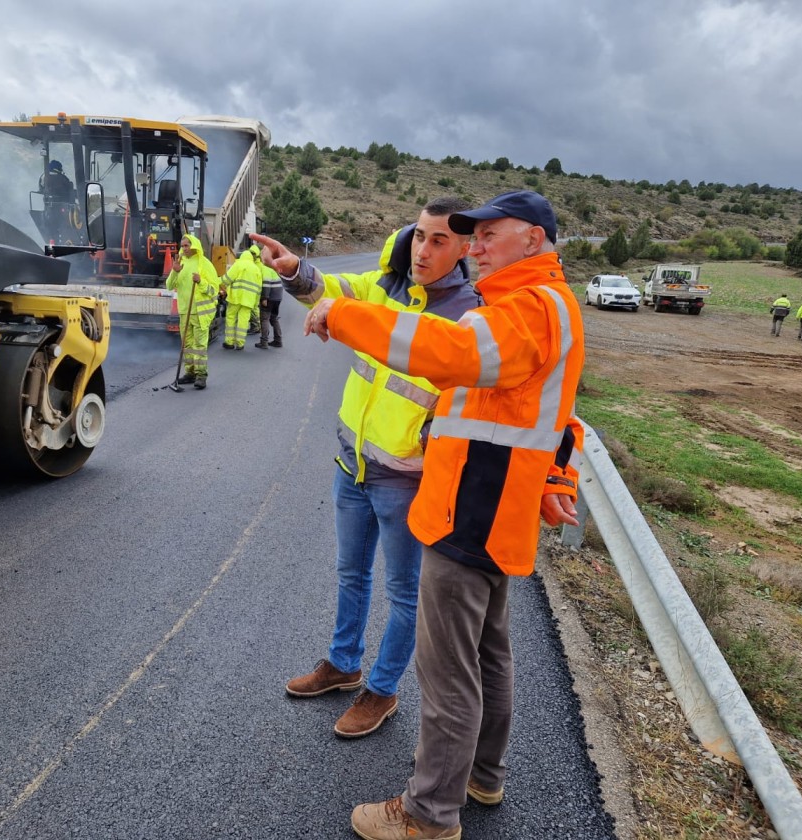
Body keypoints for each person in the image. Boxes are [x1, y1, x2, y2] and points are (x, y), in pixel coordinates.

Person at [301, 190, 585, 840]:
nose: (476, 246)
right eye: (472, 235)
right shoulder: (550, 308)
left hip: (470, 508)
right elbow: (561, 418)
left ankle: (429, 814)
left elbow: (448, 353)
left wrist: (344, 317)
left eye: (489, 235)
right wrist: (555, 480)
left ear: (534, 240)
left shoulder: (526, 310)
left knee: (448, 670)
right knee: (489, 655)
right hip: (497, 506)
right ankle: (482, 773)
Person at [250, 196, 479, 740]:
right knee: (351, 573)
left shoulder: (468, 313)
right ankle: (343, 664)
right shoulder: (389, 286)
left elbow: (466, 397)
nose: (423, 249)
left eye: (440, 240)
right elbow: (334, 291)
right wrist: (294, 269)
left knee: (404, 593)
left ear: (465, 247)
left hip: (406, 476)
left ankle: (382, 689)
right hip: (352, 462)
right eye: (419, 236)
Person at [165, 233, 220, 388]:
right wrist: (175, 271)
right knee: (187, 344)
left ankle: (201, 375)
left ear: (194, 245)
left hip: (200, 312)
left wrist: (201, 281)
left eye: (187, 245)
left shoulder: (204, 264)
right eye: (182, 246)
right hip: (185, 312)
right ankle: (190, 373)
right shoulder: (180, 262)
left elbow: (213, 290)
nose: (184, 248)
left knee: (199, 345)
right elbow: (169, 286)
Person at [220, 245, 263, 350]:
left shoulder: (238, 264)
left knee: (231, 318)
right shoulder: (256, 269)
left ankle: (229, 343)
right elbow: (259, 289)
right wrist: (255, 303)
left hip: (235, 298)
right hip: (249, 301)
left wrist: (216, 282)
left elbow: (227, 279)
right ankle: (240, 343)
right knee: (243, 321)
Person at [256, 262, 284, 348]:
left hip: (270, 297)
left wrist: (264, 298)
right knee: (274, 318)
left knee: (265, 319)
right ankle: (278, 340)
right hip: (278, 297)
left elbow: (266, 284)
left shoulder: (265, 270)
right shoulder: (272, 270)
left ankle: (264, 342)